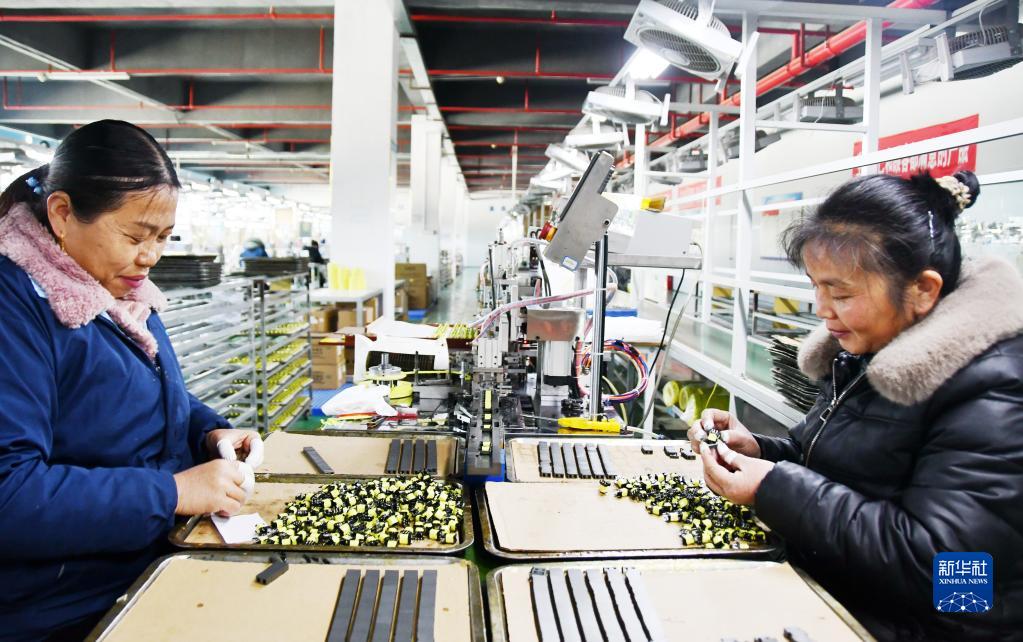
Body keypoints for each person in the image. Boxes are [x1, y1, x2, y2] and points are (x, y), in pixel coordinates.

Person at [688, 170, 1023, 641]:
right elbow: (837, 467)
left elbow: (954, 577)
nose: (822, 309)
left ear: (923, 290)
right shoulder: (870, 349)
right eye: (817, 287)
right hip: (837, 600)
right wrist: (761, 452)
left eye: (841, 293)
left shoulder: (995, 388)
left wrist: (774, 487)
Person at [0, 120, 261, 641]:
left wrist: (207, 431)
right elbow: (10, 495)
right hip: (62, 610)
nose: (150, 256)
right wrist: (171, 492)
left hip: (141, 570)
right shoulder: (15, 310)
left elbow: (142, 389)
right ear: (62, 213)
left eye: (163, 237)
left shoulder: (117, 289)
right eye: (135, 236)